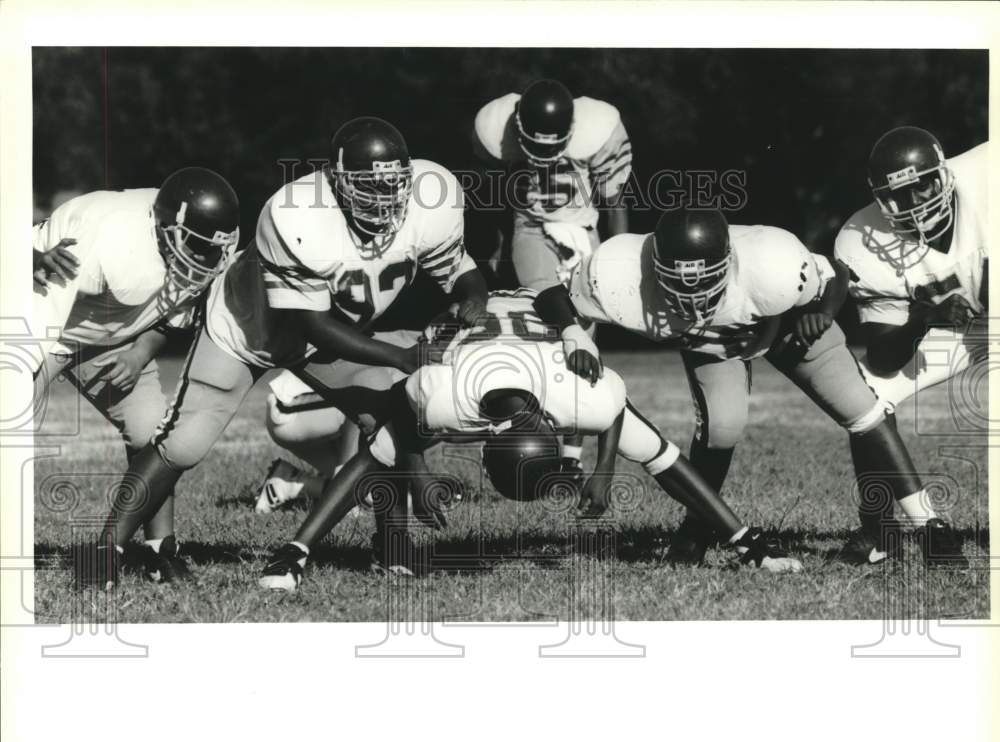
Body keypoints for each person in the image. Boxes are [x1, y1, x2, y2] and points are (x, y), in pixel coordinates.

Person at [77, 117, 489, 590]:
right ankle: (105, 549)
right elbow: (309, 324)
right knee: (182, 443)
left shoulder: (432, 199)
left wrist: (472, 296)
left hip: (331, 333)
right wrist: (398, 357)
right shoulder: (296, 214)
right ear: (336, 179)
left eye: (394, 184)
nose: (383, 197)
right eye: (367, 186)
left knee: (387, 416)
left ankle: (392, 545)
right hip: (247, 330)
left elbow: (459, 269)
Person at [257, 289, 801, 592]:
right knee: (384, 441)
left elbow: (614, 410)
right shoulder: (446, 391)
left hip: (538, 334)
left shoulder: (572, 394)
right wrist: (418, 474)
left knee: (652, 448)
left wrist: (604, 471)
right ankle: (311, 551)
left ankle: (747, 541)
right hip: (465, 330)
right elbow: (400, 410)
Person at [567, 206, 967, 567]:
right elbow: (556, 299)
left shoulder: (772, 262)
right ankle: (696, 530)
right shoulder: (616, 272)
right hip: (715, 346)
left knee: (862, 407)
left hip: (787, 326)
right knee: (722, 428)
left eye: (704, 280)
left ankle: (927, 525)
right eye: (679, 282)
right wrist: (575, 334)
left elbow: (836, 274)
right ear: (654, 268)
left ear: (730, 261)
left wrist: (822, 313)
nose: (693, 295)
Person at [32, 168, 240, 581]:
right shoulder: (105, 239)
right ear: (166, 229)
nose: (205, 260)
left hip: (117, 339)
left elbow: (174, 315)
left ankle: (160, 547)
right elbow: (36, 311)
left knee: (153, 437)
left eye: (212, 250)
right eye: (196, 248)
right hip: (49, 325)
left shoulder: (203, 240)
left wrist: (139, 353)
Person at [472, 79, 633, 475]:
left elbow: (615, 201)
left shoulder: (601, 129)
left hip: (583, 234)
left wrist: (621, 256)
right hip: (531, 229)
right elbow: (491, 198)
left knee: (586, 340)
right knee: (546, 317)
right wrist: (491, 250)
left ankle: (572, 459)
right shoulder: (497, 130)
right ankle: (522, 429)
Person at [835, 127, 987, 410]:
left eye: (922, 186)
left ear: (942, 176)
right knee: (866, 392)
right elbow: (883, 360)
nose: (916, 202)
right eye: (901, 193)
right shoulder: (860, 241)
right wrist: (924, 319)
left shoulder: (987, 174)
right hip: (960, 330)